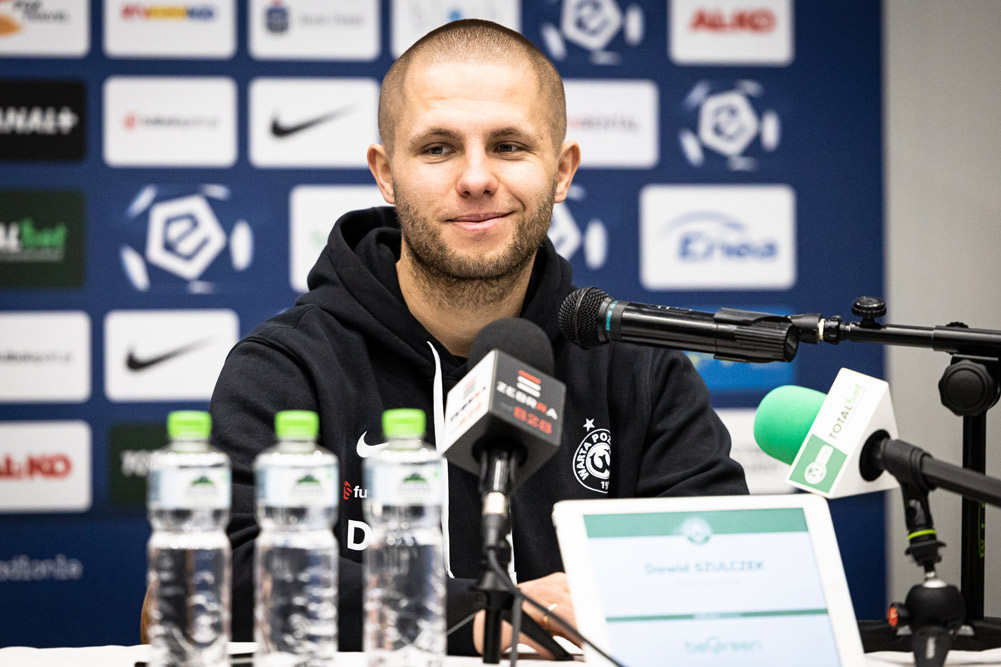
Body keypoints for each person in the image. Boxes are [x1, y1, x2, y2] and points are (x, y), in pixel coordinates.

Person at [141, 18, 748, 656]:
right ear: (386, 173)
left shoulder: (641, 369)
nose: (476, 178)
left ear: (562, 171)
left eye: (509, 145)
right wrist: (473, 615)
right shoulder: (290, 367)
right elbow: (204, 583)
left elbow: (722, 569)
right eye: (437, 149)